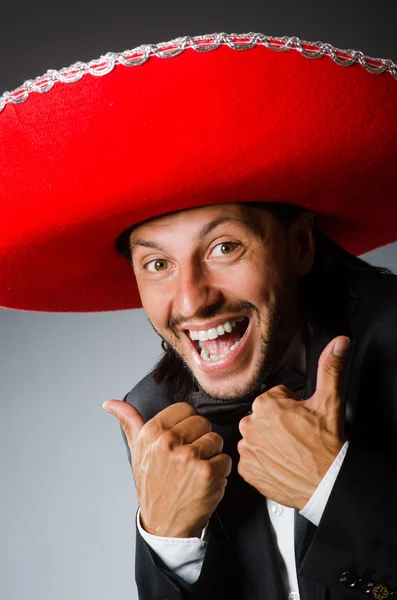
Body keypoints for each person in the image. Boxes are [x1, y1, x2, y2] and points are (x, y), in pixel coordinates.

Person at [1, 32, 397, 600]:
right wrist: (168, 538)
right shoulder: (159, 414)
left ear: (301, 246)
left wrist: (333, 489)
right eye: (158, 263)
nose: (190, 302)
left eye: (224, 248)